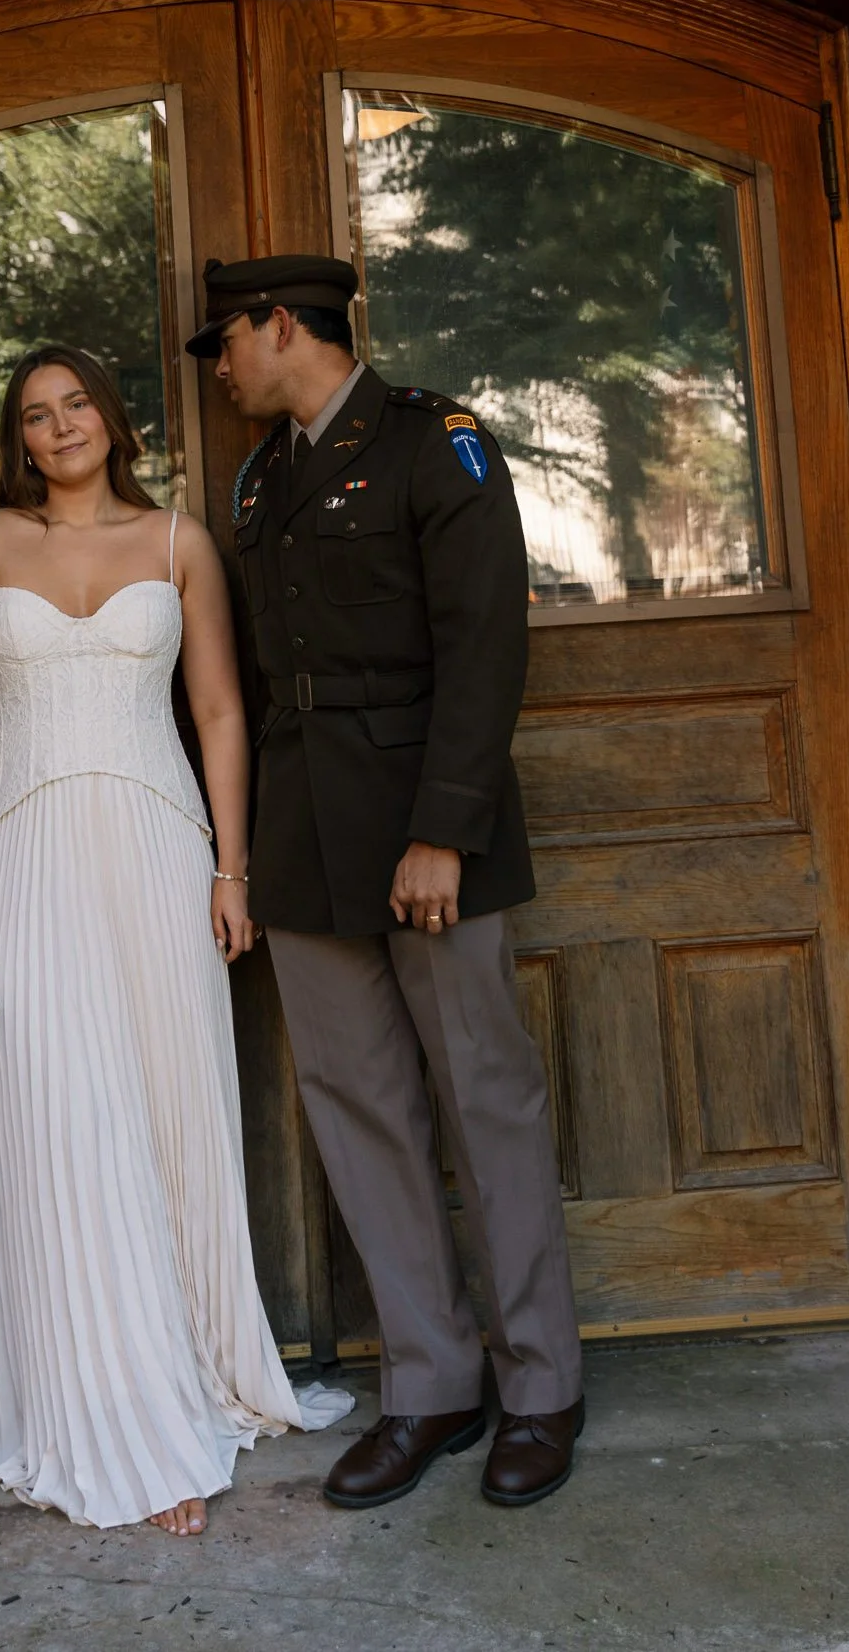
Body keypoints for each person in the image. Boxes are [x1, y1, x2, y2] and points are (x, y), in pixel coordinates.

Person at [0, 343, 348, 1535]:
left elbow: (219, 712)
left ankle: (176, 1377)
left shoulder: (181, 542)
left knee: (160, 1110)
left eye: (74, 403)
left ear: (109, 416)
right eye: (34, 417)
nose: (58, 427)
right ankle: (103, 1414)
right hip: (21, 855)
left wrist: (228, 869)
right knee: (56, 1121)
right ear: (18, 440)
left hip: (155, 852)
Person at [187, 254, 585, 1512]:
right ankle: (430, 1380)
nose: (216, 366)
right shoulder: (261, 477)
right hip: (307, 829)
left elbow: (485, 645)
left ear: (280, 326)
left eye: (225, 342)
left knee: (484, 1098)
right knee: (357, 1108)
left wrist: (444, 833)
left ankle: (540, 1385)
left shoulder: (435, 443)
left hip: (424, 823)